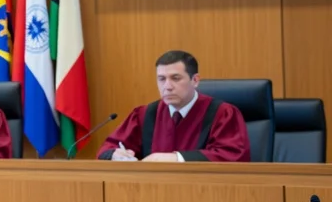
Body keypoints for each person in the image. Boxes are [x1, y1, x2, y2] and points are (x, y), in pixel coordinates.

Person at [98, 50, 250, 162]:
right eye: (161, 79)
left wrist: (176, 158)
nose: (167, 86)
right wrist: (114, 154)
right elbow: (107, 149)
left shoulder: (221, 113)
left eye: (175, 78)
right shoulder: (145, 115)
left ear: (195, 80)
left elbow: (232, 156)